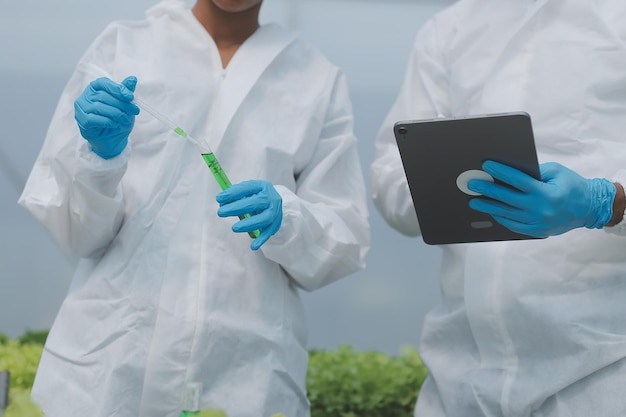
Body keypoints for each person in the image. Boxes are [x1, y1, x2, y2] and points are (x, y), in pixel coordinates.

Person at [18, 1, 370, 416]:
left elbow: (343, 241)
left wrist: (289, 221)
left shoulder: (315, 78)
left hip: (244, 372)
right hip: (113, 369)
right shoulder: (125, 46)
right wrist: (99, 159)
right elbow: (76, 233)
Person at [371, 1, 626, 416]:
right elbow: (389, 176)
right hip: (460, 374)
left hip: (605, 370)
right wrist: (437, 183)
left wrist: (607, 201)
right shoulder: (448, 29)